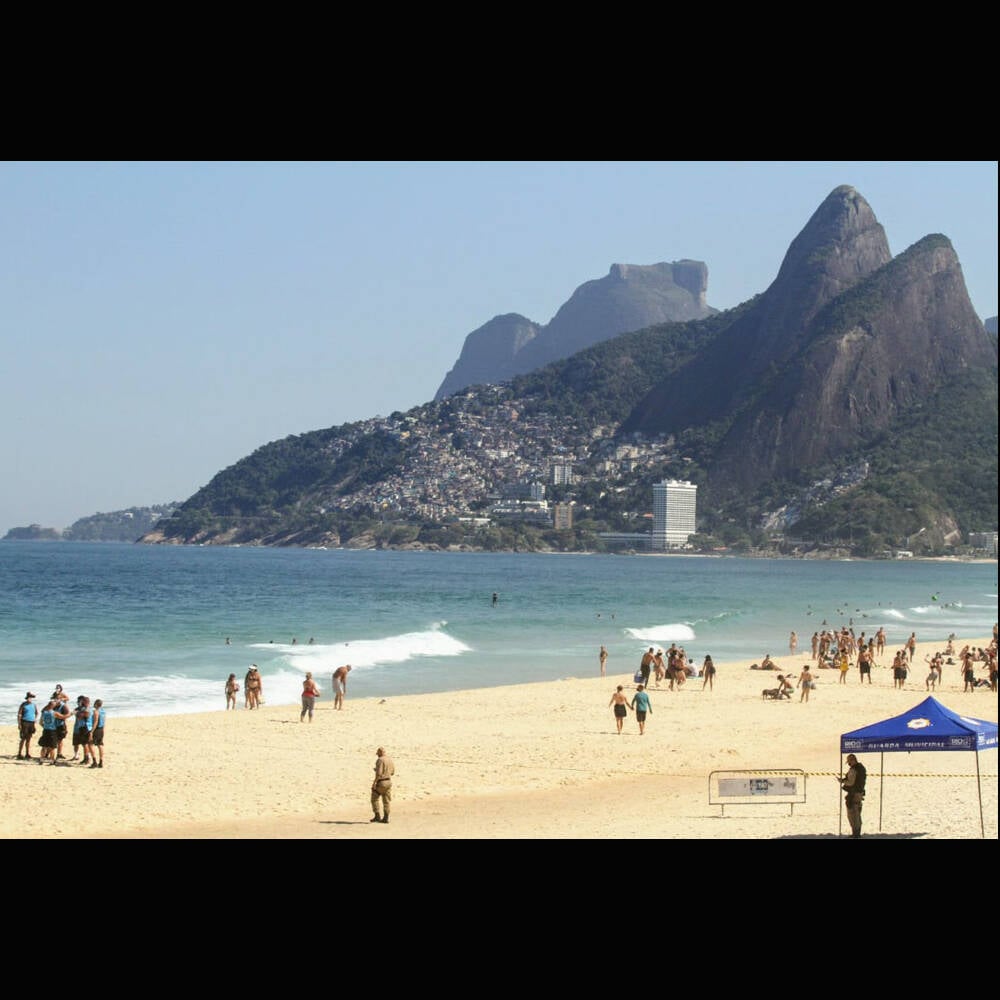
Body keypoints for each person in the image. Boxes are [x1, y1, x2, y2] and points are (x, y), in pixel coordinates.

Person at [841, 753, 867, 838]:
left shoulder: (854, 769)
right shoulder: (861, 768)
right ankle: (856, 833)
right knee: (857, 814)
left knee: (853, 814)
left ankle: (856, 834)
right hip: (859, 793)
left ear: (852, 760)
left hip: (854, 793)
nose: (848, 764)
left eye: (849, 762)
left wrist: (843, 781)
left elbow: (851, 782)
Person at [370, 746, 395, 824]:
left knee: (374, 798)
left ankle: (377, 816)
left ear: (380, 752)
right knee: (386, 800)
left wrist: (374, 783)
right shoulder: (390, 760)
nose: (377, 755)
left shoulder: (380, 760)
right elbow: (393, 772)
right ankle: (386, 817)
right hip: (389, 782)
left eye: (378, 753)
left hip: (381, 782)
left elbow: (379, 774)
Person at [16, 691, 38, 760]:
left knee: (29, 739)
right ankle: (19, 753)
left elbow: (37, 713)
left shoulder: (34, 705)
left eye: (31, 698)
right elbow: (19, 715)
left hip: (31, 723)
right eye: (29, 697)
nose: (30, 699)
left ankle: (27, 753)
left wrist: (35, 719)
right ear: (27, 698)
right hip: (24, 723)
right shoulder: (23, 705)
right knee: (23, 738)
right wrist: (19, 724)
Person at [38, 699, 59, 764]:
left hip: (45, 730)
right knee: (52, 747)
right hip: (52, 731)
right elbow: (63, 717)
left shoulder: (44, 712)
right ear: (53, 706)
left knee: (44, 746)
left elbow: (40, 722)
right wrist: (71, 714)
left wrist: (45, 726)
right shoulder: (54, 713)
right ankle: (52, 760)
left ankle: (41, 759)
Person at [90, 699, 106, 768]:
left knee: (90, 744)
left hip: (96, 729)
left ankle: (94, 761)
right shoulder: (103, 711)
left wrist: (91, 731)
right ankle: (101, 761)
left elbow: (96, 722)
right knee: (100, 745)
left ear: (96, 704)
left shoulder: (96, 711)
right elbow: (104, 721)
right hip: (101, 729)